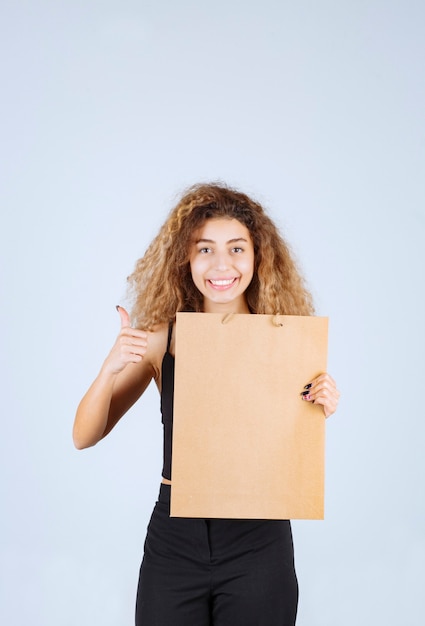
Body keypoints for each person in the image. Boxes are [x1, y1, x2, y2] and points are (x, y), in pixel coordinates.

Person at [73, 183, 340, 625]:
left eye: (237, 248)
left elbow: (288, 440)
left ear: (258, 257)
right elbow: (84, 436)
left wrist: (321, 401)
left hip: (259, 538)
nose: (222, 265)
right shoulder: (163, 338)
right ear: (186, 259)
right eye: (205, 249)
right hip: (175, 536)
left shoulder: (288, 342)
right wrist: (110, 367)